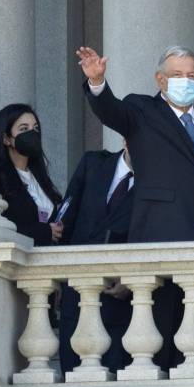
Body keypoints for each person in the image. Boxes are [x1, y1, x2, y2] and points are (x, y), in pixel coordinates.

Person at [74, 44, 194, 371]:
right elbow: (111, 111)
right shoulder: (142, 110)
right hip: (161, 233)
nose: (184, 81)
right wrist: (97, 83)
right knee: (162, 333)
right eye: (176, 75)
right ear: (161, 79)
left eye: (191, 75)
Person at [57, 142, 135, 374]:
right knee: (71, 373)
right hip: (76, 293)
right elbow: (65, 221)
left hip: (119, 302)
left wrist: (131, 279)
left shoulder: (156, 182)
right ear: (126, 141)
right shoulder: (93, 163)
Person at [0, 104, 64, 245]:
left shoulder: (39, 177)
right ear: (6, 139)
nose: (32, 133)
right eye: (24, 129)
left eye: (36, 128)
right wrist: (43, 232)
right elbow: (0, 228)